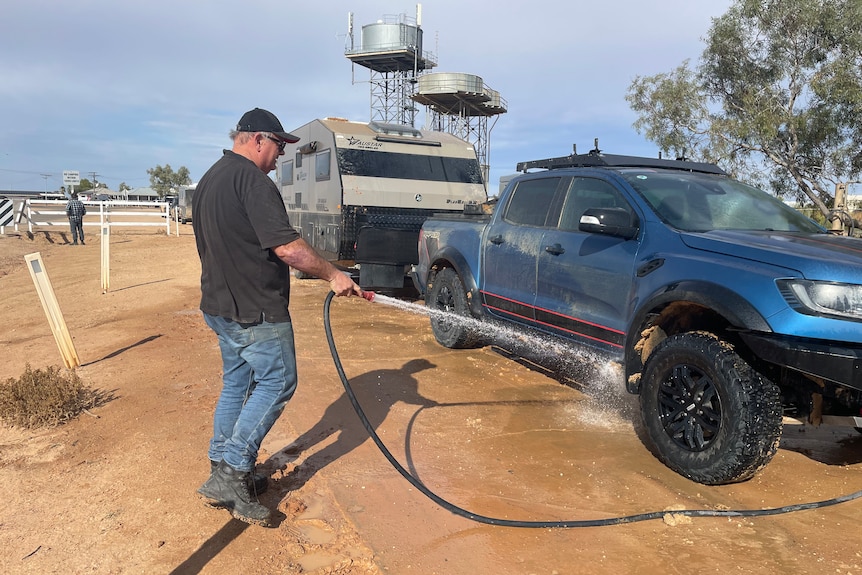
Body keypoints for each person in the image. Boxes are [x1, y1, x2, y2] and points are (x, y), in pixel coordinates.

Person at [192, 107, 364, 527]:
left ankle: (220, 465)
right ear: (257, 139)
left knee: (237, 383)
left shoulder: (211, 178)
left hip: (220, 305)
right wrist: (332, 273)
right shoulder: (253, 182)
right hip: (256, 308)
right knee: (278, 381)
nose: (280, 157)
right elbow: (287, 248)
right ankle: (233, 473)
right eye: (278, 147)